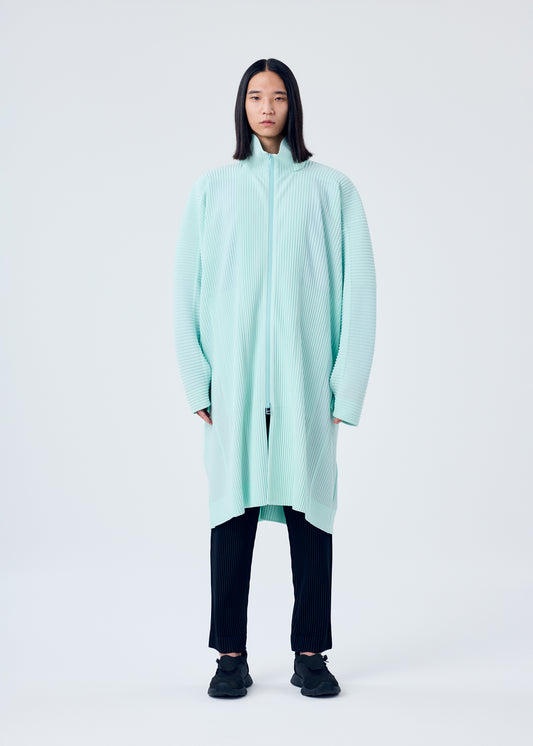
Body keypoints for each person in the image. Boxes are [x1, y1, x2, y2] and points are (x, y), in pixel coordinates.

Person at [173, 58, 376, 698]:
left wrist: (347, 384)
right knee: (230, 519)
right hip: (234, 386)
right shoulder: (212, 189)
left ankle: (311, 654)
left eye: (279, 97)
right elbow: (185, 289)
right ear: (241, 106)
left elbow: (360, 291)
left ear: (294, 106)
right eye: (256, 96)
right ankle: (229, 656)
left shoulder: (332, 189)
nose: (267, 108)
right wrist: (197, 378)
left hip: (305, 384)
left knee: (311, 519)